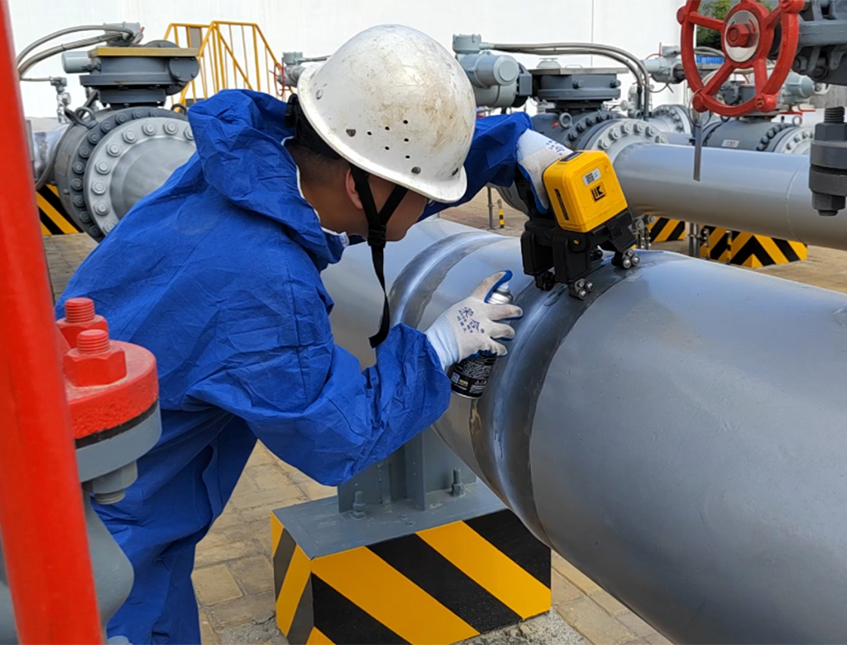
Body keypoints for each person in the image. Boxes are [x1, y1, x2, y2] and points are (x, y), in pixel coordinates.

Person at [57, 24, 569, 644]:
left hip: (81, 487)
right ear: (360, 187)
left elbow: (379, 182)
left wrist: (512, 144)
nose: (433, 206)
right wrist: (436, 350)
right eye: (429, 194)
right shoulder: (264, 282)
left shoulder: (249, 166)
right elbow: (336, 438)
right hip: (103, 549)